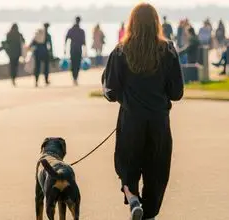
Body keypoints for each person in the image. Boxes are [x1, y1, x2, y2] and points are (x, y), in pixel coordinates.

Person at [101, 3, 184, 220]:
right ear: (156, 23)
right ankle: (149, 214)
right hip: (158, 121)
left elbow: (110, 91)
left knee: (127, 163)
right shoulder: (168, 51)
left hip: (131, 119)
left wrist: (125, 97)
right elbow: (177, 92)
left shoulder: (121, 51)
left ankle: (132, 197)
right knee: (156, 170)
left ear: (132, 23)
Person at [65, 16, 86, 85]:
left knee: (74, 64)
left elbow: (66, 39)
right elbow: (84, 42)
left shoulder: (72, 30)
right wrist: (85, 51)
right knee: (76, 64)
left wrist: (65, 49)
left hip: (74, 49)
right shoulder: (81, 31)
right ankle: (75, 77)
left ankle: (75, 77)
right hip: (77, 50)